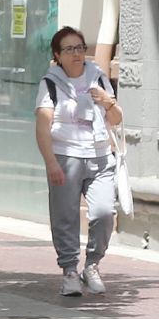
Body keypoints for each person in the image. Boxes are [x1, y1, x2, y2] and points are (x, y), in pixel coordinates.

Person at [35, 26, 124, 296]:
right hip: (66, 156)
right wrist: (51, 162)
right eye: (69, 49)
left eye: (80, 48)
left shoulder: (98, 78)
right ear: (57, 55)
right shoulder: (49, 83)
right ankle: (70, 271)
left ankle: (92, 265)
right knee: (65, 217)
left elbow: (117, 119)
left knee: (104, 212)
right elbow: (42, 126)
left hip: (99, 156)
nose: (76, 54)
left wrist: (108, 102)